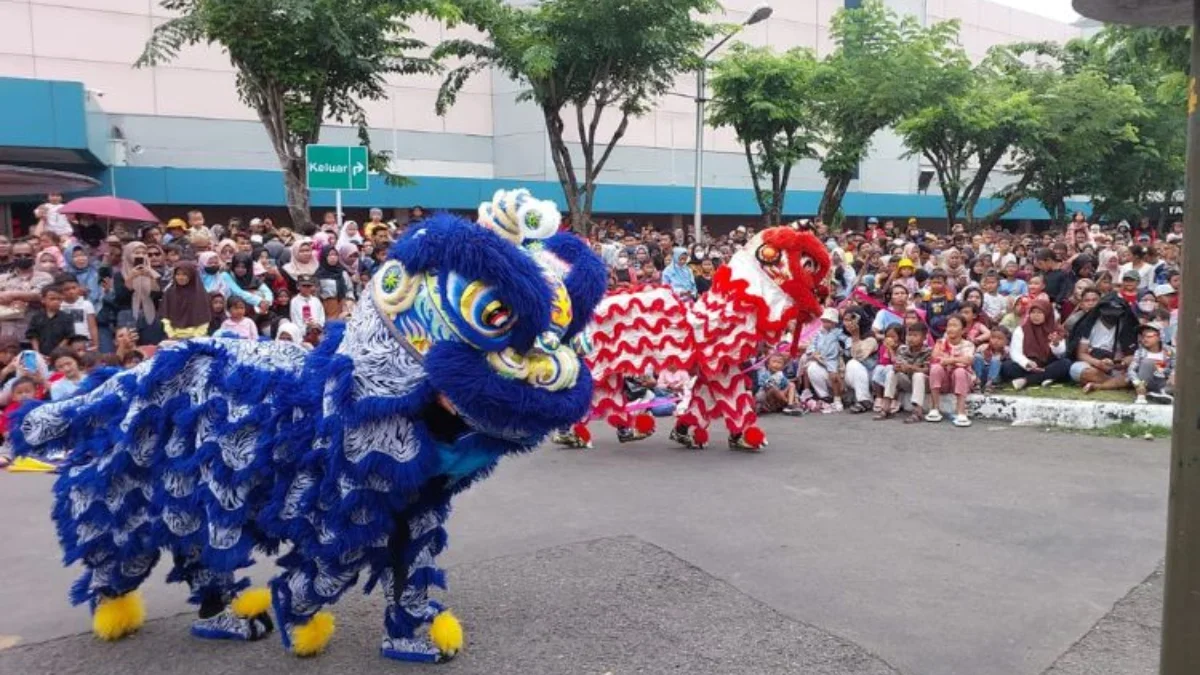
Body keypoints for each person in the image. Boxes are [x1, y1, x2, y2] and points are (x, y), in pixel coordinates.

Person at [1069, 292, 1140, 394]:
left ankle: (1100, 385)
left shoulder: (1126, 326)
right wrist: (1099, 363)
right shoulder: (1090, 323)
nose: (1111, 317)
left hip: (1116, 368)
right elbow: (1081, 354)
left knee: (1133, 373)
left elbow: (1132, 356)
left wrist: (1120, 363)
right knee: (1077, 370)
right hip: (1093, 364)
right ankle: (1116, 384)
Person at [1001, 298, 1070, 390]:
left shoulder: (1056, 330)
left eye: (1039, 313)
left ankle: (1026, 380)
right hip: (1028, 365)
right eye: (1033, 312)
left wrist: (1056, 344)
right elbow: (1015, 353)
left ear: (1047, 314)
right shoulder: (1021, 330)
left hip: (1048, 365)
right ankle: (1044, 378)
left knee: (1065, 364)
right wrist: (1027, 363)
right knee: (1007, 366)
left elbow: (1061, 354)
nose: (1035, 316)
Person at [876, 322, 931, 423]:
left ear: (924, 337)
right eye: (909, 335)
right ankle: (886, 408)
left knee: (918, 375)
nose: (911, 338)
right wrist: (897, 367)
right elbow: (898, 363)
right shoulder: (902, 349)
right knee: (892, 372)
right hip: (907, 381)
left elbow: (928, 370)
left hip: (924, 384)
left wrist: (910, 368)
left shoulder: (928, 351)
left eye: (915, 335)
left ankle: (917, 412)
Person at [926, 314, 975, 427]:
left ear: (963, 330)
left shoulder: (968, 344)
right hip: (945, 380)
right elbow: (935, 358)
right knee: (935, 368)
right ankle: (934, 408)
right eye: (949, 326)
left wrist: (949, 360)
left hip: (961, 380)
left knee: (960, 371)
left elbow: (967, 360)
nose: (950, 328)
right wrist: (956, 360)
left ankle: (961, 412)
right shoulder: (940, 343)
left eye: (954, 325)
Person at [803, 307, 847, 412]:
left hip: (832, 358)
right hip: (820, 357)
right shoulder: (819, 333)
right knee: (808, 368)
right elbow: (812, 344)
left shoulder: (837, 332)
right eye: (824, 321)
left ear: (834, 322)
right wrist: (813, 353)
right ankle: (823, 396)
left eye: (829, 322)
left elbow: (846, 339)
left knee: (833, 376)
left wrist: (847, 349)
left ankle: (837, 399)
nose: (826, 324)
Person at [159, 262, 213, 340]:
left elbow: (204, 320)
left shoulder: (200, 294)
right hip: (173, 337)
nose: (180, 277)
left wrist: (195, 336)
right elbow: (165, 317)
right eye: (177, 274)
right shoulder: (170, 293)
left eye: (184, 274)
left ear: (191, 276)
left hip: (197, 338)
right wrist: (172, 335)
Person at [841, 309, 878, 413]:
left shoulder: (870, 338)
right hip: (842, 376)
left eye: (851, 320)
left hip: (868, 374)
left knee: (853, 363)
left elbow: (859, 356)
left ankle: (864, 400)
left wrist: (855, 336)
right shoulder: (838, 335)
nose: (848, 323)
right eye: (845, 320)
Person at [1127, 323, 1174, 404]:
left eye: (1148, 335)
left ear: (1159, 336)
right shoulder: (1140, 352)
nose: (1145, 339)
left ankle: (1160, 394)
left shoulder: (1170, 351)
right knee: (1147, 362)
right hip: (1146, 383)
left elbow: (1176, 366)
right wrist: (1137, 383)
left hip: (1165, 383)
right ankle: (1146, 394)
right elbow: (1131, 370)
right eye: (1142, 336)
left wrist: (1174, 374)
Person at [26, 284, 76, 356]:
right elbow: (33, 336)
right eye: (52, 299)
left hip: (59, 354)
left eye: (59, 299)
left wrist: (55, 353)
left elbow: (68, 337)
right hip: (39, 354)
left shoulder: (67, 317)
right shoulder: (36, 317)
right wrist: (37, 353)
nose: (56, 301)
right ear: (43, 300)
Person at [59, 278, 99, 350]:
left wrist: (96, 344)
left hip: (85, 341)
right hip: (67, 343)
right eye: (67, 289)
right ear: (61, 291)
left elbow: (92, 327)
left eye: (74, 288)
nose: (71, 291)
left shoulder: (86, 304)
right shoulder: (60, 306)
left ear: (79, 288)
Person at [315, 247, 352, 319]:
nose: (333, 257)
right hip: (327, 306)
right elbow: (316, 294)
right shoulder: (319, 275)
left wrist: (350, 300)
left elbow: (349, 289)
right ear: (324, 257)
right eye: (330, 255)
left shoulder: (343, 273)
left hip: (344, 305)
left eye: (335, 255)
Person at [973, 327, 1009, 394]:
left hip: (996, 375)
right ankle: (977, 382)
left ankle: (990, 384)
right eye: (993, 338)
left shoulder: (1008, 351)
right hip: (982, 374)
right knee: (977, 356)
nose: (995, 341)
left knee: (995, 360)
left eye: (999, 339)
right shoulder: (983, 347)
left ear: (1006, 341)